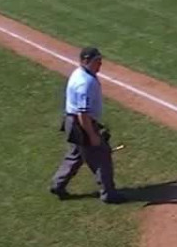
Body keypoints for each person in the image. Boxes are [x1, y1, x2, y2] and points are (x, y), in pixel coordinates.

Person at [50, 46, 125, 204]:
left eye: (100, 61)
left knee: (75, 155)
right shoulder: (85, 83)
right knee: (101, 156)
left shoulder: (79, 73)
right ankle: (108, 194)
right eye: (97, 61)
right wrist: (92, 135)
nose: (100, 65)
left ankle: (58, 184)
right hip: (81, 124)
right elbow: (82, 113)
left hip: (73, 122)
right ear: (85, 61)